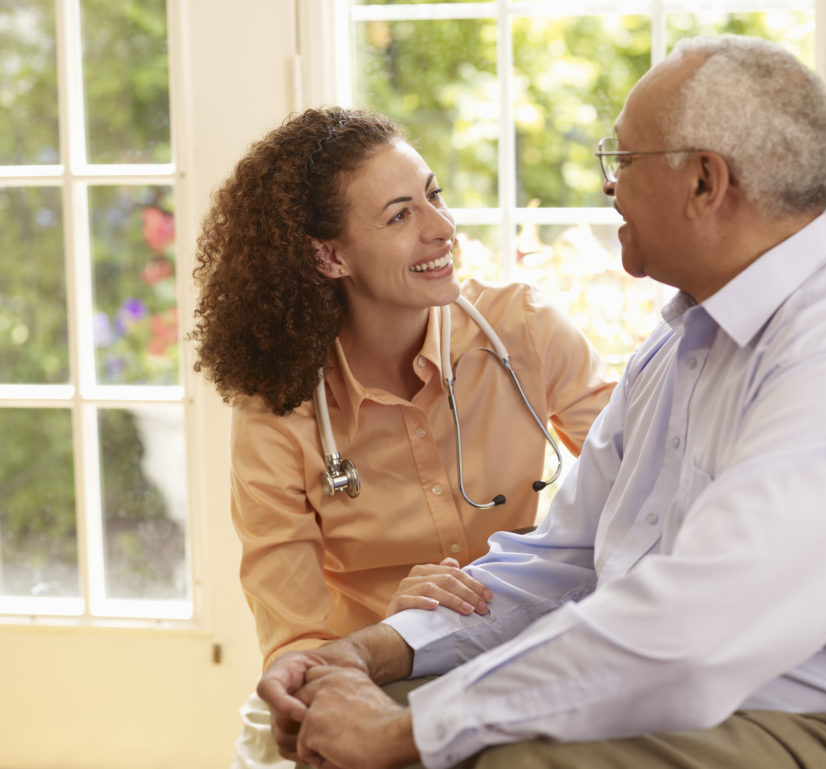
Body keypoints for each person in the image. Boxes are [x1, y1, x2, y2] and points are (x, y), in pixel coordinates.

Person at [257, 36, 826, 769]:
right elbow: (563, 559)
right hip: (728, 702)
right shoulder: (685, 338)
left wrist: (411, 729)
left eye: (621, 158)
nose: (607, 183)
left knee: (501, 753)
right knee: (355, 727)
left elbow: (692, 631)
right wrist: (370, 649)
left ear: (704, 182)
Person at [190, 107, 615, 768]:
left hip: (521, 653)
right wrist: (390, 628)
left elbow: (645, 483)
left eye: (434, 196)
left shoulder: (525, 331)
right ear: (328, 255)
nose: (442, 227)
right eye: (399, 215)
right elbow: (296, 639)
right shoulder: (279, 410)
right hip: (364, 675)